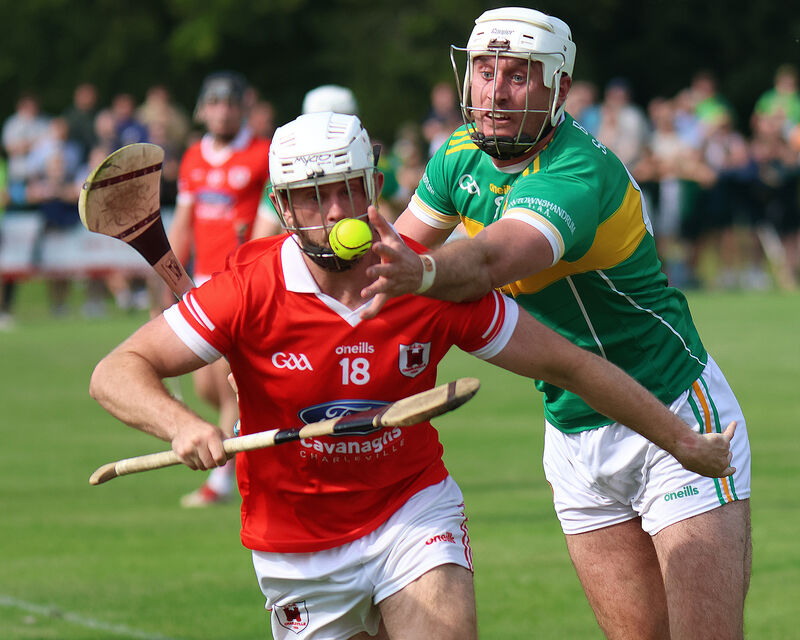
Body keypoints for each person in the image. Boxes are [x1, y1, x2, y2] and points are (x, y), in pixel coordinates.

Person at [89, 111, 734, 640]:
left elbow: (571, 365)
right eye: (316, 195)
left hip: (411, 512)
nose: (337, 209)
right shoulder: (247, 290)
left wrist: (681, 440)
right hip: (294, 542)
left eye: (350, 188)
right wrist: (180, 424)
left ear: (373, 189)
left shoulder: (425, 283)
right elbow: (116, 371)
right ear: (283, 207)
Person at [360, 8, 752, 639]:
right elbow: (385, 276)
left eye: (519, 76)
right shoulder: (456, 158)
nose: (494, 90)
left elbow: (495, 257)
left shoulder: (578, 171)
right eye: (485, 71)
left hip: (672, 410)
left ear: (559, 89)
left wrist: (423, 272)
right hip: (572, 435)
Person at [166, 71, 271, 507]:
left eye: (230, 103)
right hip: (201, 282)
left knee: (229, 388)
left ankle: (222, 482)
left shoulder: (262, 152)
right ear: (203, 109)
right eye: (215, 103)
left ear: (242, 107)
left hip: (240, 282)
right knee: (207, 389)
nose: (222, 111)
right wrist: (168, 277)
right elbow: (184, 221)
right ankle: (250, 449)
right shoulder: (192, 157)